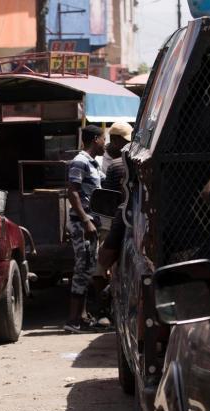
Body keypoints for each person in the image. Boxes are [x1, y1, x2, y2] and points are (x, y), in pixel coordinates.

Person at [63, 125, 107, 333]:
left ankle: (81, 317)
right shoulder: (80, 162)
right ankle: (73, 321)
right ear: (96, 139)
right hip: (82, 223)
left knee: (88, 267)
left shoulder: (93, 164)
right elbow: (73, 193)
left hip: (91, 222)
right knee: (82, 269)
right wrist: (86, 220)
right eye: (103, 139)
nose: (105, 144)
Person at [94, 122, 133, 325]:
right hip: (110, 220)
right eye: (125, 141)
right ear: (115, 140)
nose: (128, 145)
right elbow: (109, 200)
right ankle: (102, 310)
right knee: (103, 266)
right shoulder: (105, 161)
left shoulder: (126, 162)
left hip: (122, 219)